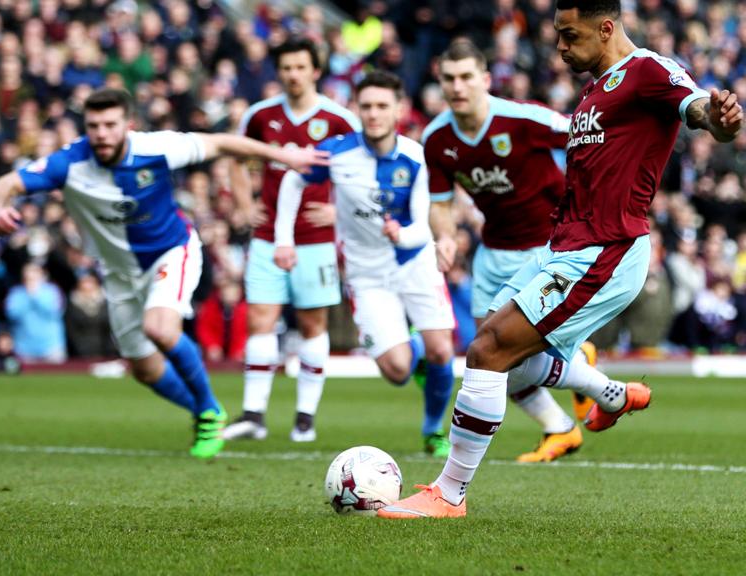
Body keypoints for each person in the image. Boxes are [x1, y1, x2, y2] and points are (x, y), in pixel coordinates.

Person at [379, 0, 742, 519]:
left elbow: (700, 109)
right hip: (564, 246)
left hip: (606, 250)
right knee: (509, 355)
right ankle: (612, 395)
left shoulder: (648, 71)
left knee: (487, 351)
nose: (560, 47)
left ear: (607, 28)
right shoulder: (594, 88)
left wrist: (721, 120)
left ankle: (449, 493)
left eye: (569, 36)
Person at [0, 87, 329, 459]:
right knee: (145, 371)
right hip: (118, 273)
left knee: (161, 328)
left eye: (111, 125)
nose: (102, 133)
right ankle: (201, 411)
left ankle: (211, 410)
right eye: (94, 125)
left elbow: (221, 143)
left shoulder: (156, 148)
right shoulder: (69, 163)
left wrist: (282, 156)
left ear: (128, 125)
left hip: (171, 253)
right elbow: (6, 184)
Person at [422, 39, 623, 463]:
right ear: (439, 83)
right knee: (486, 357)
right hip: (493, 251)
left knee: (506, 353)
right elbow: (439, 203)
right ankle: (561, 428)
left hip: (548, 247)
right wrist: (443, 235)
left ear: (485, 79)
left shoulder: (523, 119)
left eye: (465, 77)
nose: (457, 87)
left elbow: (587, 134)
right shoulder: (437, 138)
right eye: (448, 79)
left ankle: (588, 381)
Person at [272, 70, 457, 458]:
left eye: (382, 106)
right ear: (357, 109)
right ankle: (412, 353)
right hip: (367, 274)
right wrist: (284, 238)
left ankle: (432, 430)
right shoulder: (337, 152)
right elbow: (293, 181)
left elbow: (423, 222)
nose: (374, 114)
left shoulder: (417, 157)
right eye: (367, 106)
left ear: (399, 110)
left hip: (414, 263)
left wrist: (401, 235)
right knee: (397, 371)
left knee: (443, 350)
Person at [225, 37, 360, 443]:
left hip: (316, 237)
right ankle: (254, 415)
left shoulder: (338, 119)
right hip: (267, 236)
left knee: (311, 324)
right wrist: (245, 205)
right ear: (278, 72)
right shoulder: (261, 115)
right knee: (260, 321)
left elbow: (364, 170)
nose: (293, 75)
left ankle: (305, 417)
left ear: (315, 70)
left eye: (301, 67)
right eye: (286, 68)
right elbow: (237, 157)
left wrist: (341, 212)